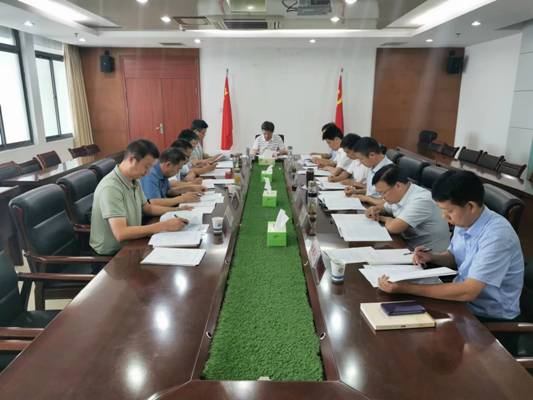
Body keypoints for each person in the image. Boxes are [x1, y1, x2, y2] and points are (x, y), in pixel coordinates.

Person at [378, 170, 524, 321]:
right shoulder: (465, 219)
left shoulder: (497, 236)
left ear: (470, 206)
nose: (444, 216)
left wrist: (406, 288)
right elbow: (454, 258)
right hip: (460, 302)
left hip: (485, 316)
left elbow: (468, 292)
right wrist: (431, 257)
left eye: (448, 211)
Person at [90, 139, 189, 256]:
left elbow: (147, 208)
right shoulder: (111, 188)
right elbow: (121, 233)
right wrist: (163, 226)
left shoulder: (134, 180)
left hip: (133, 243)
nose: (148, 172)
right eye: (146, 166)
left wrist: (177, 210)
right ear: (131, 160)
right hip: (113, 255)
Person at [365, 164, 450, 251]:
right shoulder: (400, 194)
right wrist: (374, 209)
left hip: (429, 255)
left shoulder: (421, 200)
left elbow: (393, 228)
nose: (382, 197)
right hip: (408, 245)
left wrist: (384, 218)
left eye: (383, 192)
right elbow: (384, 207)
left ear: (398, 186)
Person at [344, 137, 392, 205]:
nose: (360, 162)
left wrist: (366, 198)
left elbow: (387, 203)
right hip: (369, 203)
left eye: (361, 159)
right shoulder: (372, 164)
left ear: (372, 155)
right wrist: (356, 191)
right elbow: (372, 192)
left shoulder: (389, 171)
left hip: (376, 208)